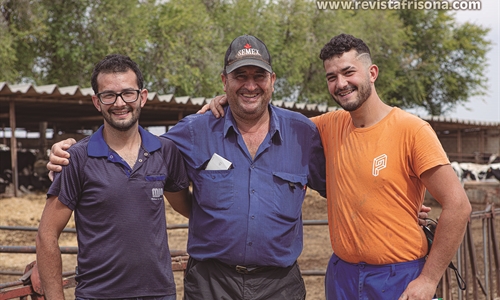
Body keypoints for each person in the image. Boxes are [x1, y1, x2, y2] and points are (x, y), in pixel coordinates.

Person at [46, 35, 431, 299]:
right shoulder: (194, 131)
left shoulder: (305, 133)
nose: (250, 85)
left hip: (280, 284)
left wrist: (398, 208)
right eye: (239, 76)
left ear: (272, 80)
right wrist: (69, 151)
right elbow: (129, 140)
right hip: (211, 282)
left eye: (258, 75)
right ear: (224, 81)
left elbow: (347, 184)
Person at [206, 33, 472, 300]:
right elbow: (270, 120)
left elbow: (458, 205)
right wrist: (226, 101)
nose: (341, 83)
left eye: (348, 72)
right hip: (342, 276)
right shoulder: (325, 127)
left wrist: (428, 279)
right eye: (331, 77)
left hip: (398, 276)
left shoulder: (412, 130)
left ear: (372, 73)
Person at [36, 54, 191, 300]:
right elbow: (46, 235)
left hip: (158, 294)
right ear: (97, 102)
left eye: (128, 93)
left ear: (143, 97)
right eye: (109, 95)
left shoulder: (165, 151)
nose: (119, 103)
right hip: (99, 295)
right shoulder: (76, 158)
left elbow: (189, 209)